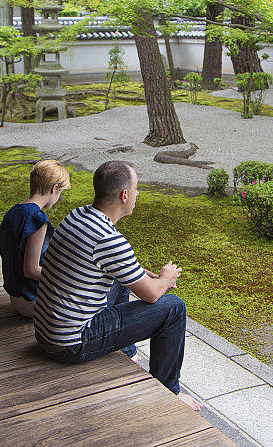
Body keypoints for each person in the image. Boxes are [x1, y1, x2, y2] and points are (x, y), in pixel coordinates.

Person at [34, 160, 202, 411]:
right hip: (70, 344)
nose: (137, 194)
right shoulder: (108, 238)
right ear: (124, 195)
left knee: (122, 281)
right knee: (174, 308)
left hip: (47, 332)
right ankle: (169, 391)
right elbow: (154, 295)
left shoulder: (77, 215)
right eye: (136, 189)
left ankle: (126, 352)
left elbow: (120, 267)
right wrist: (166, 277)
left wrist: (146, 275)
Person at [0, 159, 70, 318]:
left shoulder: (14, 211)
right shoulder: (37, 219)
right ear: (54, 188)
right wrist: (62, 279)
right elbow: (31, 270)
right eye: (60, 192)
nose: (59, 196)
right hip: (32, 301)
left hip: (16, 296)